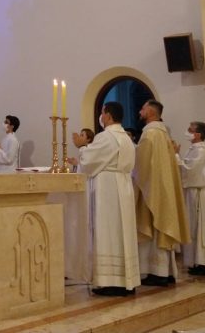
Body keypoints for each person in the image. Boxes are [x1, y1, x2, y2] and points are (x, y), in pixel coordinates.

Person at [77, 101, 140, 296]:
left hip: (108, 189)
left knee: (108, 231)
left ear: (109, 116)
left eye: (103, 113)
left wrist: (82, 146)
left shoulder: (106, 137)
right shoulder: (125, 137)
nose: (101, 116)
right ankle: (125, 279)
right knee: (123, 231)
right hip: (123, 185)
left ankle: (110, 280)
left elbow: (88, 162)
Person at [134, 99, 190, 286]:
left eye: (142, 108)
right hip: (163, 186)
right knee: (162, 224)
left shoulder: (150, 134)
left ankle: (156, 272)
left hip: (152, 187)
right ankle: (165, 271)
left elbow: (141, 164)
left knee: (153, 225)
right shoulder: (163, 134)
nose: (140, 111)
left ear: (150, 111)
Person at [174, 121, 205, 276]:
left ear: (198, 134)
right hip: (191, 192)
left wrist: (176, 155)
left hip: (197, 193)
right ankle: (194, 261)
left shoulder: (201, 151)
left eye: (190, 130)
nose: (188, 132)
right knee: (192, 228)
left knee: (199, 228)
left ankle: (204, 263)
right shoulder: (194, 150)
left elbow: (190, 170)